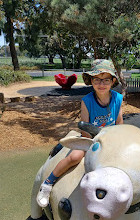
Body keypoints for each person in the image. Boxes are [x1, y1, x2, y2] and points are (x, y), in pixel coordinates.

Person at [36, 59, 123, 207]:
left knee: (127, 155)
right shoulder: (87, 101)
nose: (101, 84)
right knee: (74, 157)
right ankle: (48, 183)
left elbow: (119, 123)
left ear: (113, 81)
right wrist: (95, 144)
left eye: (106, 80)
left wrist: (116, 141)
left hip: (110, 138)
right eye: (97, 79)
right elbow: (85, 129)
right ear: (91, 80)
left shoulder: (118, 98)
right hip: (91, 138)